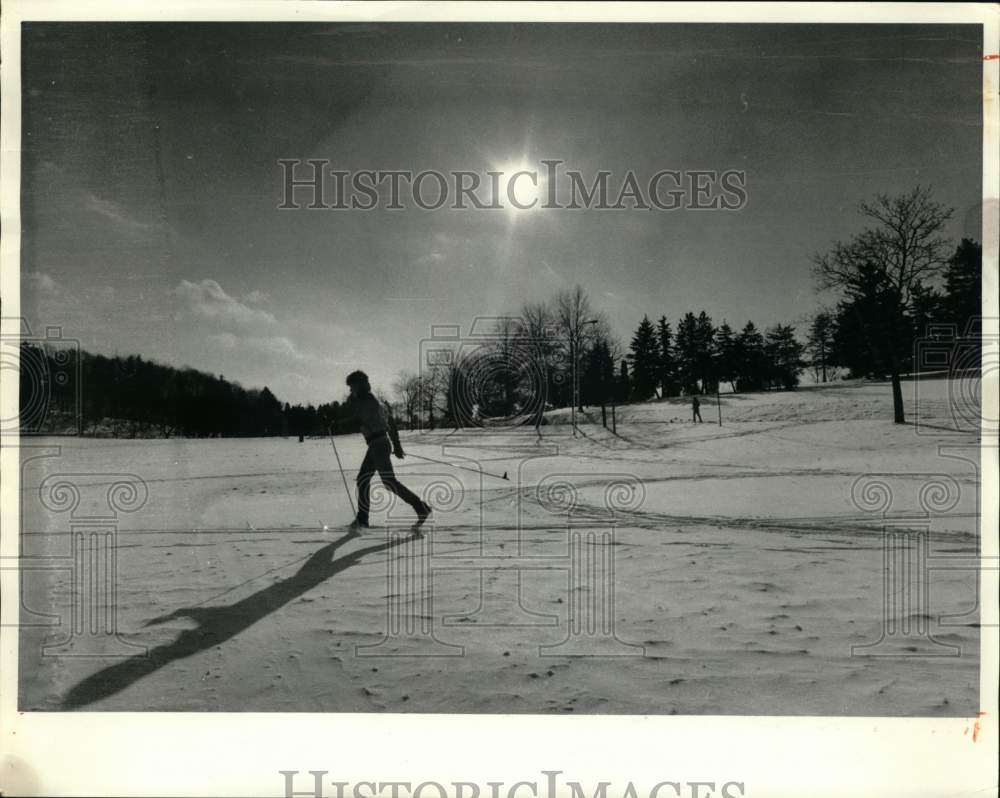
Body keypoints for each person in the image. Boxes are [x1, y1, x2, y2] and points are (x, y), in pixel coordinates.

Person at [336, 370, 431, 529]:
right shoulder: (372, 400)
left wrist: (336, 423)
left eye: (352, 387)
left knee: (388, 482)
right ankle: (363, 519)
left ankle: (420, 507)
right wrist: (397, 445)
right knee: (364, 479)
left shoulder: (367, 402)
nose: (351, 391)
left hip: (378, 445)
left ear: (360, 385)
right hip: (378, 444)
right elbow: (391, 423)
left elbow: (357, 419)